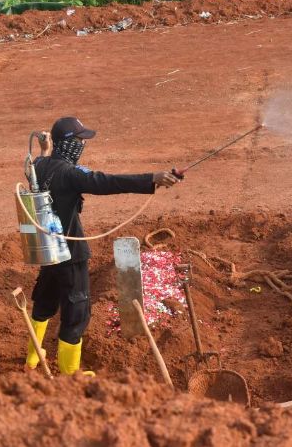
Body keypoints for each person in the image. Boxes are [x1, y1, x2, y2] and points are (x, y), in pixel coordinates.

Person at [25, 117, 179, 376]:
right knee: (76, 315)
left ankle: (30, 362)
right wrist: (152, 178)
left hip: (48, 250)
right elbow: (108, 182)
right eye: (79, 141)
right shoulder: (71, 174)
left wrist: (45, 150)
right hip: (71, 256)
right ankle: (70, 375)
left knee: (44, 304)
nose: (83, 145)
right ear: (68, 144)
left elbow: (37, 169)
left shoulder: (39, 166)